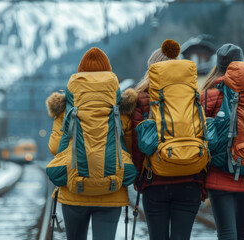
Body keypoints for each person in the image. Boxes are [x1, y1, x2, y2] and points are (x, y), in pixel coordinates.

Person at [46, 47, 138, 240]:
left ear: (80, 75)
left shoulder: (65, 109)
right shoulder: (120, 109)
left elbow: (55, 148)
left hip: (73, 190)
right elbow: (128, 149)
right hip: (112, 191)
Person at [131, 39, 207, 240]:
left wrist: (139, 180)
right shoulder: (194, 96)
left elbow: (138, 147)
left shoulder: (142, 98)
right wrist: (203, 182)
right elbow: (204, 135)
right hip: (190, 180)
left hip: (154, 181)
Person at [201, 43, 244, 240]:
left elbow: (199, 131)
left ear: (218, 66)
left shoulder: (210, 95)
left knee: (226, 233)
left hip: (221, 174)